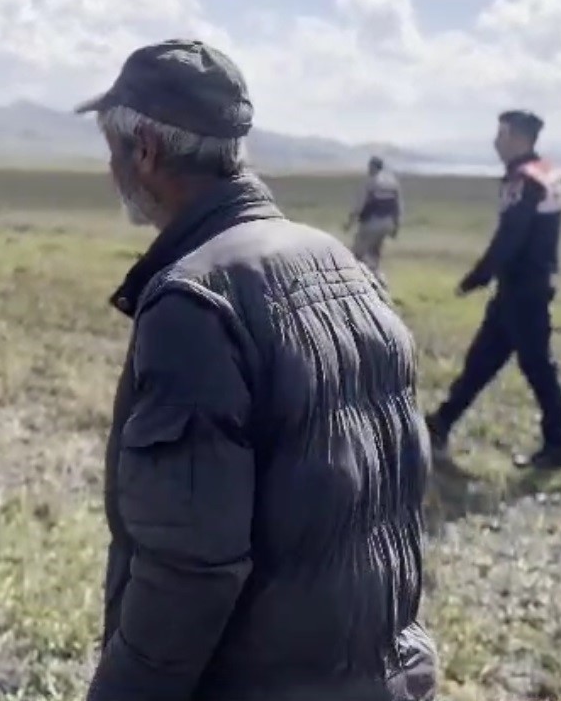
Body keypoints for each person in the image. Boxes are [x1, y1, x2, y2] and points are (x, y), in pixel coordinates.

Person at [72, 38, 437, 701]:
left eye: (113, 149)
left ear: (145, 151)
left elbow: (187, 568)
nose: (110, 168)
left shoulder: (194, 302)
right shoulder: (344, 266)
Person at [426, 109, 561, 471]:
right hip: (522, 287)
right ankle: (440, 423)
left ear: (518, 138)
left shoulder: (524, 180)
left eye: (501, 134)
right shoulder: (546, 172)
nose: (496, 142)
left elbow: (511, 236)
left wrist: (478, 276)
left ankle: (558, 444)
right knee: (482, 360)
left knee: (537, 366)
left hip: (524, 289)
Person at [343, 155, 403, 285]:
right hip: (387, 223)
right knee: (375, 253)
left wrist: (349, 223)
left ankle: (359, 283)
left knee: (357, 254)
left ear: (372, 167)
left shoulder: (370, 182)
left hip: (371, 222)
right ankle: (377, 281)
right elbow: (397, 206)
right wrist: (396, 227)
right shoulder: (392, 182)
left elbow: (359, 206)